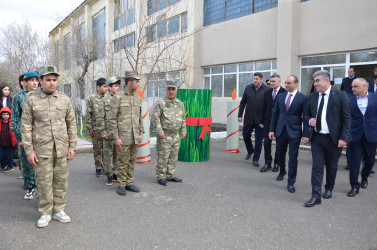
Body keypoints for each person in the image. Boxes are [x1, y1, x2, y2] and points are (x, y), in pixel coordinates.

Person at [21, 65, 77, 228]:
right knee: (44, 182)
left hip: (61, 147)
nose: (52, 83)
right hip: (41, 149)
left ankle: (59, 210)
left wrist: (72, 146)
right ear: (40, 81)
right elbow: (26, 126)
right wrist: (29, 151)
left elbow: (71, 124)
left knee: (61, 181)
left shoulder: (64, 99)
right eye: (48, 80)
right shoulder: (31, 99)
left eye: (54, 80)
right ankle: (45, 212)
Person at [304, 70, 351, 207]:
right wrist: (309, 121)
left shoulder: (341, 95)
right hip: (317, 138)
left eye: (317, 80)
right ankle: (316, 195)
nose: (315, 83)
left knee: (331, 167)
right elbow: (306, 115)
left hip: (334, 139)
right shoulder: (312, 96)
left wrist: (344, 138)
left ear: (327, 81)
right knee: (317, 167)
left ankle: (329, 187)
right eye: (314, 81)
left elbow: (347, 118)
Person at [268, 75, 309, 193]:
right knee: (280, 154)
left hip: (294, 131)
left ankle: (291, 182)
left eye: (289, 83)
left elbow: (305, 117)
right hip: (281, 130)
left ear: (296, 84)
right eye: (285, 83)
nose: (286, 85)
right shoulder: (280, 97)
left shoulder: (303, 98)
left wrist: (305, 134)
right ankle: (282, 171)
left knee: (293, 157)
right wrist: (272, 130)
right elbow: (275, 114)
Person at [107, 72, 144, 196]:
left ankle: (129, 183)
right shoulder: (117, 97)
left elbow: (140, 117)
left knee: (131, 161)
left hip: (135, 136)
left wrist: (141, 132)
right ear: (129, 82)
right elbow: (111, 119)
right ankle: (121, 184)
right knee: (122, 162)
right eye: (136, 82)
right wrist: (116, 137)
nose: (138, 84)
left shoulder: (138, 97)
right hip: (123, 136)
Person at [151, 80, 186, 186]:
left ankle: (170, 175)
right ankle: (161, 176)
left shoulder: (180, 103)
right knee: (163, 157)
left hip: (176, 135)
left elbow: (183, 118)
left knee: (173, 157)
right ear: (166, 90)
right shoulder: (160, 102)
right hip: (164, 135)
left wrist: (183, 131)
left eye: (173, 89)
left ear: (176, 90)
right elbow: (155, 118)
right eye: (169, 89)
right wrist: (159, 132)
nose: (171, 91)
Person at [347, 78, 377, 197]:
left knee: (369, 161)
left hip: (371, 134)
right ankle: (354, 186)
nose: (352, 88)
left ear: (365, 87)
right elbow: (346, 118)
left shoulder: (375, 97)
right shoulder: (349, 99)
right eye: (352, 86)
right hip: (355, 135)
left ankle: (364, 177)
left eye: (355, 86)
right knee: (354, 162)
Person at [12, 71, 39, 199]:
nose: (34, 82)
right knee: (27, 163)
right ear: (25, 82)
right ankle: (30, 187)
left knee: (42, 163)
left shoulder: (42, 96)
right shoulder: (20, 97)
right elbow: (16, 119)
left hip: (41, 137)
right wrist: (19, 137)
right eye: (31, 80)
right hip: (26, 137)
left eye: (36, 80)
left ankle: (43, 188)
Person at [238, 72, 270, 167]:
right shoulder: (248, 88)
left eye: (257, 79)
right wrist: (240, 115)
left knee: (258, 140)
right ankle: (250, 150)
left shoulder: (267, 90)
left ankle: (255, 159)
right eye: (254, 79)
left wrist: (266, 120)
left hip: (260, 120)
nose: (255, 80)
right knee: (245, 135)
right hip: (248, 117)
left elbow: (269, 106)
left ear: (261, 79)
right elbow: (243, 102)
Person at [259, 73, 286, 172]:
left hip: (280, 123)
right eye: (271, 81)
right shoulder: (267, 92)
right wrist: (261, 121)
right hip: (267, 122)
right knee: (266, 143)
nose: (272, 83)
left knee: (279, 144)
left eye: (274, 81)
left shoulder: (285, 92)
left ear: (279, 81)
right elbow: (263, 108)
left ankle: (277, 163)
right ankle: (267, 163)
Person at [97, 76, 121, 186]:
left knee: (117, 154)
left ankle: (116, 173)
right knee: (107, 156)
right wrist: (103, 132)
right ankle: (109, 175)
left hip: (118, 133)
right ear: (109, 88)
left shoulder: (120, 99)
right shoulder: (103, 101)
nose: (118, 88)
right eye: (115, 86)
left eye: (118, 86)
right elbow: (100, 118)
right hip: (107, 134)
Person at [86, 78, 107, 177]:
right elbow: (88, 114)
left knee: (106, 150)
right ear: (98, 87)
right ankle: (98, 168)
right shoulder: (92, 98)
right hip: (96, 129)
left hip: (106, 130)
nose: (106, 88)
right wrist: (90, 128)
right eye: (104, 86)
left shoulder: (109, 98)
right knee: (97, 150)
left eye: (107, 86)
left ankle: (107, 168)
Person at [0, 107, 17, 172]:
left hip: (9, 142)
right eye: (4, 114)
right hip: (1, 142)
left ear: (9, 115)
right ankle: (2, 166)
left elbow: (14, 133)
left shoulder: (11, 123)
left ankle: (10, 166)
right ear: (1, 115)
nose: (5, 116)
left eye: (7, 114)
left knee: (10, 155)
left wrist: (15, 141)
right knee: (1, 155)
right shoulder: (0, 123)